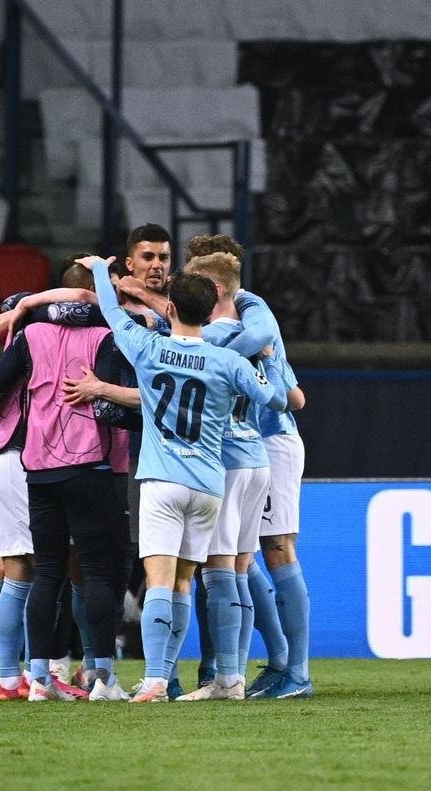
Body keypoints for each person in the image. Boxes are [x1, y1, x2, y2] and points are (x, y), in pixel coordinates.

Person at [76, 255, 287, 703]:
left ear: (169, 309)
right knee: (185, 583)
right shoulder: (227, 360)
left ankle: (155, 678)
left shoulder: (149, 349)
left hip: (162, 479)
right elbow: (276, 401)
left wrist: (99, 269)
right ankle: (186, 674)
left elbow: (113, 314)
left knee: (159, 579)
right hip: (209, 484)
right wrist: (265, 361)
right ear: (211, 312)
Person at [0, 298, 137, 702]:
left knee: (47, 573)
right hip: (89, 468)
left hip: (39, 468)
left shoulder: (31, 334)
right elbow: (107, 407)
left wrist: (13, 403)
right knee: (98, 573)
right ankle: (102, 677)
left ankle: (38, 681)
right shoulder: (106, 336)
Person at [184, 252, 275, 695]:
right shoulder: (252, 337)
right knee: (239, 568)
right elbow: (279, 396)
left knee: (218, 572)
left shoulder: (206, 343)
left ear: (214, 291)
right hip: (256, 456)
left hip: (226, 460)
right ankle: (234, 675)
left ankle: (225, 678)